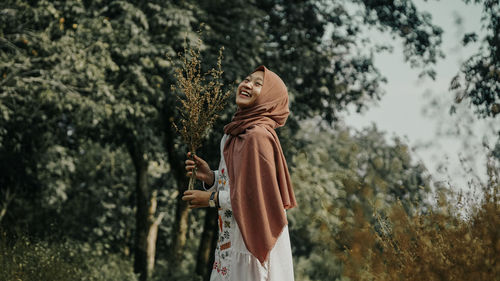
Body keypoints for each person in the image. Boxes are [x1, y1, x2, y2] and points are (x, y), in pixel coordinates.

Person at [182, 66, 297, 281]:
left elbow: (258, 199)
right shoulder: (234, 134)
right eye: (246, 79)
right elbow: (239, 184)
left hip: (253, 241)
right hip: (230, 241)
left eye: (257, 84)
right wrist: (212, 178)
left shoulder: (257, 137)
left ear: (269, 97)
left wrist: (211, 199)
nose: (247, 85)